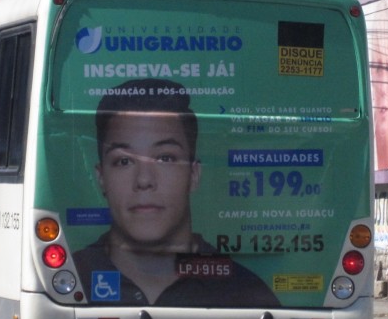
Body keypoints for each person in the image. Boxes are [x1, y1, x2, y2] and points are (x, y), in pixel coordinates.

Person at [72, 78, 280, 307]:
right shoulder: (71, 280)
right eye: (124, 161)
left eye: (165, 158)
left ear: (194, 174)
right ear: (101, 178)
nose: (144, 180)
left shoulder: (246, 293)